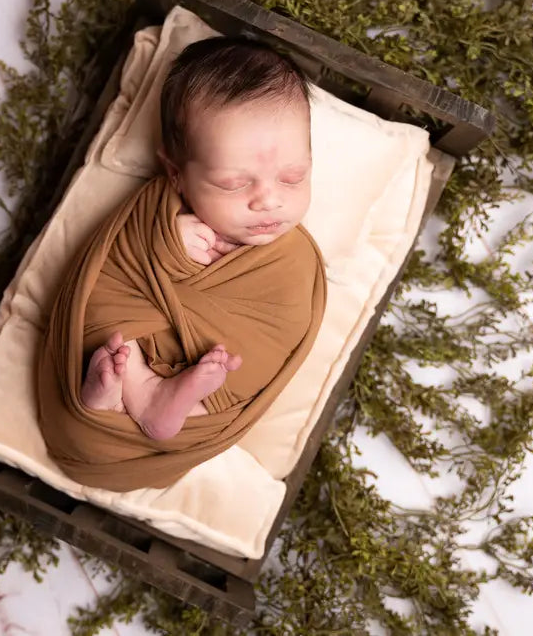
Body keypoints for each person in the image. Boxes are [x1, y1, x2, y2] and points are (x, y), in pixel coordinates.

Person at [37, 35, 327, 491]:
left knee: (246, 359)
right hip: (142, 328)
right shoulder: (160, 209)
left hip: (220, 360)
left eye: (294, 177)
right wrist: (167, 244)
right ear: (176, 174)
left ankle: (168, 403)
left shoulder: (291, 260)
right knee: (103, 312)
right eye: (233, 184)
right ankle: (133, 387)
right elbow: (117, 258)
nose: (269, 201)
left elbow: (284, 331)